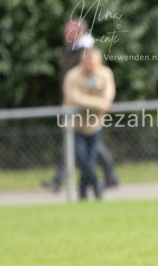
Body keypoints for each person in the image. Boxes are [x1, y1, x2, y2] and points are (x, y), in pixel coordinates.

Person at [43, 18, 120, 192]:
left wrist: (97, 103)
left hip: (89, 112)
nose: (65, 34)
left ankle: (100, 179)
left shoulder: (85, 51)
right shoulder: (72, 50)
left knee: (86, 148)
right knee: (79, 147)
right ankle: (105, 177)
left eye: (68, 30)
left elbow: (99, 85)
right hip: (74, 108)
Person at [62, 46, 115, 200]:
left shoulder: (105, 74)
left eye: (92, 61)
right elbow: (74, 98)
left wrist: (98, 103)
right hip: (75, 126)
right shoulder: (72, 76)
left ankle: (82, 194)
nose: (89, 65)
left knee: (90, 160)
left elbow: (109, 95)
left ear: (99, 61)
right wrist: (99, 104)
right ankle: (97, 188)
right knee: (82, 159)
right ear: (81, 61)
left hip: (95, 125)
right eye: (87, 61)